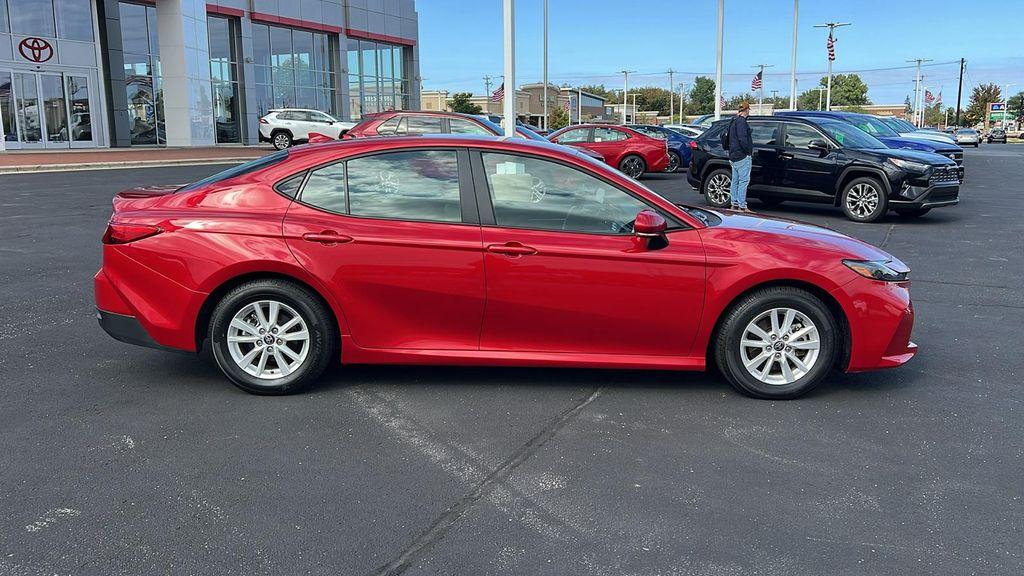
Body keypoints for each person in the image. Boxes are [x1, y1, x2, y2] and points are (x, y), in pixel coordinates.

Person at [727, 101, 753, 211]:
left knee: (735, 181)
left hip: (733, 155)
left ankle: (734, 204)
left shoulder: (733, 120)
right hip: (742, 155)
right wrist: (748, 152)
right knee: (743, 181)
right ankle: (742, 206)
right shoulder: (742, 122)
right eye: (748, 110)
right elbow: (743, 138)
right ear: (746, 110)